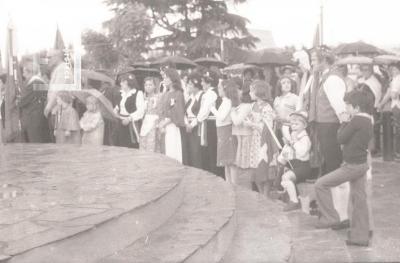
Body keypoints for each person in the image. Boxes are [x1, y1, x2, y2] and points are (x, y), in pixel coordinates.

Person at [314, 89, 374, 247]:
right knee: (359, 199)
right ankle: (361, 235)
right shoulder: (368, 119)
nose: (345, 108)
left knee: (320, 184)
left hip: (352, 165)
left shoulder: (356, 120)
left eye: (348, 105)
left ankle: (330, 218)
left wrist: (345, 121)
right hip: (360, 164)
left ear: (357, 107)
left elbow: (340, 138)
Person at [246, 80, 277, 195]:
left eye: (251, 91)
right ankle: (261, 194)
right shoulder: (253, 106)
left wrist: (252, 124)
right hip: (254, 140)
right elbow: (250, 119)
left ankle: (266, 194)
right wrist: (248, 121)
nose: (249, 93)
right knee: (255, 166)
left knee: (264, 165)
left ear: (258, 92)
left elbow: (267, 128)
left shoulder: (267, 108)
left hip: (264, 142)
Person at [278, 111, 312, 211]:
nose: (294, 126)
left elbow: (301, 152)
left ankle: (294, 201)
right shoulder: (294, 136)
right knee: (283, 175)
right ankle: (290, 197)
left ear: (304, 125)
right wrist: (286, 149)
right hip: (294, 166)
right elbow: (287, 155)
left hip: (303, 167)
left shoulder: (305, 138)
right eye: (292, 124)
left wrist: (294, 141)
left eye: (297, 124)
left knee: (286, 177)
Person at [210, 79, 239, 183]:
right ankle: (228, 183)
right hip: (222, 132)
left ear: (225, 89)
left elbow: (222, 117)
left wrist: (212, 109)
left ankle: (234, 185)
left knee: (230, 160)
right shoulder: (225, 102)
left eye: (219, 88)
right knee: (226, 162)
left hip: (226, 132)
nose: (218, 90)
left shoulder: (228, 102)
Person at [197, 70, 224, 177]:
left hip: (211, 125)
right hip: (210, 124)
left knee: (211, 151)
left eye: (203, 81)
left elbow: (204, 112)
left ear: (209, 82)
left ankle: (214, 174)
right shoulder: (209, 93)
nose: (201, 84)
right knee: (210, 151)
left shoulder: (211, 93)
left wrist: (198, 118)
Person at [18, 59, 51, 143]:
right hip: (39, 116)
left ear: (30, 72)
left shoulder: (34, 84)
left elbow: (22, 101)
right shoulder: (41, 82)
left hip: (33, 119)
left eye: (24, 72)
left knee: (35, 142)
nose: (23, 74)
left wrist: (17, 100)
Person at [44, 49, 73, 139]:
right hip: (58, 110)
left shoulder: (63, 69)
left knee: (60, 141)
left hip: (59, 111)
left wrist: (48, 107)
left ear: (57, 57)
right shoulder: (60, 69)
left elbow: (58, 91)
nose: (47, 60)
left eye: (50, 57)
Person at [158, 68, 186, 163]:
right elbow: (162, 110)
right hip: (164, 125)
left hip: (172, 125)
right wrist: (161, 124)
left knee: (172, 151)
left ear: (172, 79)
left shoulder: (178, 94)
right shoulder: (166, 94)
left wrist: (163, 124)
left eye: (166, 77)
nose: (164, 80)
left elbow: (176, 112)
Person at [113, 72, 145, 148]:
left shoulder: (138, 93)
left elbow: (141, 110)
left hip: (131, 124)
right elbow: (118, 107)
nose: (120, 84)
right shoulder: (120, 94)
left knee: (130, 146)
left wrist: (129, 118)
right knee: (119, 145)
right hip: (120, 123)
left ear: (128, 83)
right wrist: (115, 112)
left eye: (122, 82)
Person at [230, 89, 254, 189]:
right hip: (239, 137)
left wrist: (232, 112)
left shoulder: (245, 106)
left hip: (245, 137)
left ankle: (246, 189)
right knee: (240, 165)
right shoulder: (240, 106)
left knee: (245, 166)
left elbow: (237, 121)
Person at [358, 64, 382, 155]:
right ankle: (372, 148)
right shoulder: (364, 81)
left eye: (367, 70)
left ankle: (374, 149)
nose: (364, 72)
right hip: (367, 108)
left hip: (373, 108)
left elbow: (372, 96)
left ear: (371, 71)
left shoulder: (373, 82)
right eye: (363, 70)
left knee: (373, 129)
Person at [184, 73, 204, 168]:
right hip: (188, 126)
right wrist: (186, 123)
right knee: (190, 152)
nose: (188, 86)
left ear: (197, 86)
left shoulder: (201, 96)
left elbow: (201, 113)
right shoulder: (190, 98)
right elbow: (185, 112)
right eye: (188, 84)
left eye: (191, 84)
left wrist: (192, 125)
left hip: (197, 127)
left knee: (196, 152)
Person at [273, 76, 299, 144]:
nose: (287, 84)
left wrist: (285, 119)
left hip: (290, 129)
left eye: (288, 82)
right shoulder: (277, 99)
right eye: (283, 83)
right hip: (278, 130)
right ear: (279, 86)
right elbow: (274, 113)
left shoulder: (295, 98)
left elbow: (299, 115)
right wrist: (275, 117)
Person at [140, 77, 162, 152]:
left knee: (152, 143)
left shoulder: (159, 97)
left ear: (155, 86)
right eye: (146, 85)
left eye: (150, 85)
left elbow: (160, 111)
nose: (148, 87)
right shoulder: (143, 97)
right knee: (143, 142)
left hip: (154, 122)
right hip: (145, 121)